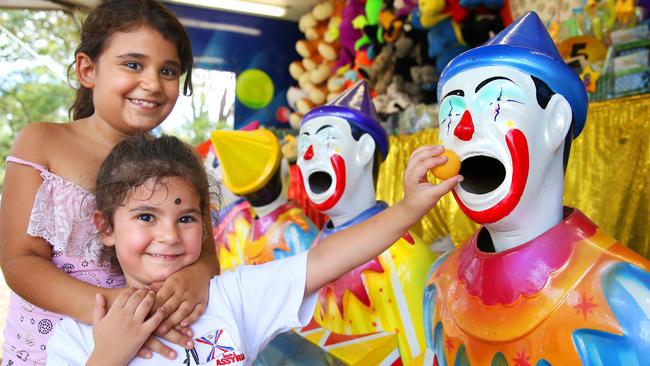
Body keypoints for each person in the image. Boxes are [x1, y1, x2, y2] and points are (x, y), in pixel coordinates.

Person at [45, 132, 461, 366]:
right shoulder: (80, 336)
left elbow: (327, 258)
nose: (169, 236)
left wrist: (409, 207)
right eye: (146, 217)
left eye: (186, 218)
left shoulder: (232, 296)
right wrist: (110, 354)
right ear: (106, 227)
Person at [423, 11, 650, 365]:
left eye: (497, 102)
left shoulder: (628, 298)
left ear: (556, 121)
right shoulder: (438, 286)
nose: (464, 128)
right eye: (451, 112)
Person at [0, 1, 218, 364]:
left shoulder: (181, 164)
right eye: (133, 64)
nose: (152, 83)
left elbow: (207, 256)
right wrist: (114, 309)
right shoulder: (42, 142)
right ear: (88, 69)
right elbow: (19, 260)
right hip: (45, 348)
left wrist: (196, 277)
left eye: (168, 71)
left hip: (145, 348)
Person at [294, 80, 438, 364]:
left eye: (326, 139)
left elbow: (420, 354)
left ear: (364, 150)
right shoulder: (316, 248)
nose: (309, 155)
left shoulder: (403, 256)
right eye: (304, 144)